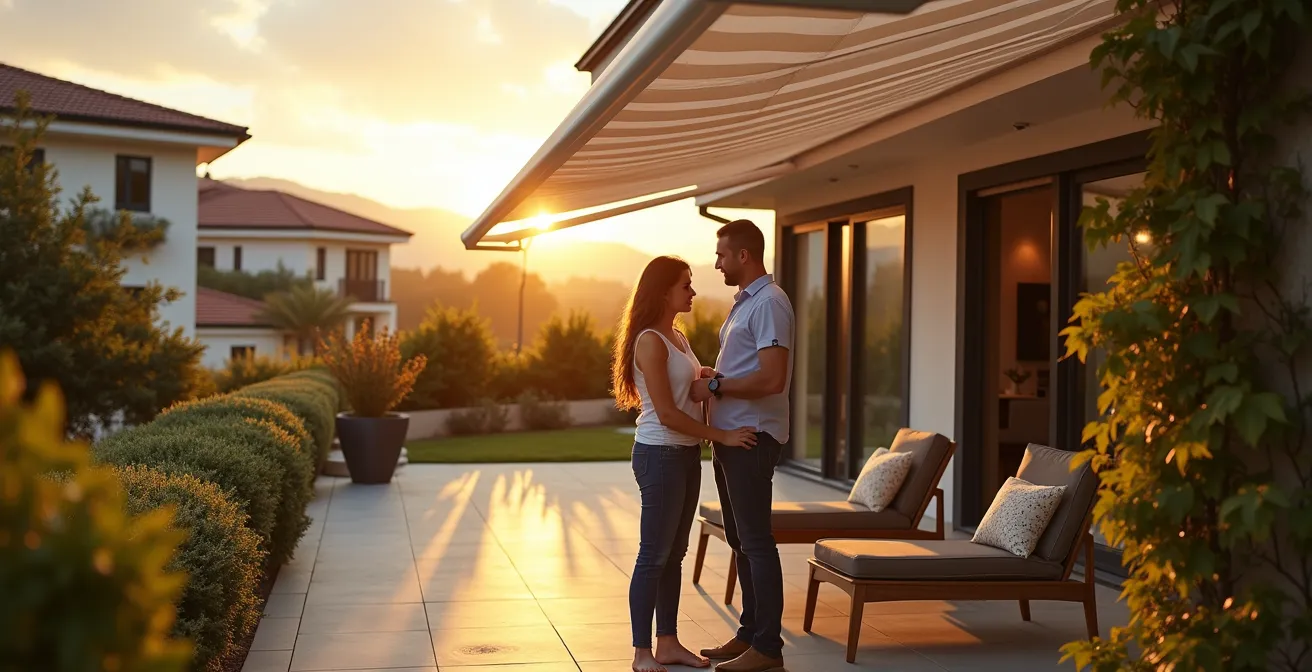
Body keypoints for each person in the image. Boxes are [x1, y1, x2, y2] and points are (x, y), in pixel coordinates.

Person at [612, 255, 759, 672]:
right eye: (685, 285)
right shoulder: (650, 341)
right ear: (663, 292)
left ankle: (668, 643)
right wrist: (722, 436)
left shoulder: (676, 336)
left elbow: (688, 392)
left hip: (684, 454)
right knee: (653, 555)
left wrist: (707, 377)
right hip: (660, 454)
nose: (693, 291)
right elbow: (667, 413)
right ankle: (642, 652)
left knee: (674, 553)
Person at [690, 220, 795, 672]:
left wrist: (716, 387)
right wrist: (718, 377)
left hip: (751, 439)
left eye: (721, 255)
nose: (717, 263)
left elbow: (772, 378)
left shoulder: (769, 303)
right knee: (740, 539)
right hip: (731, 438)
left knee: (755, 541)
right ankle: (750, 634)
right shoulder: (746, 304)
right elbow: (746, 369)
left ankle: (768, 648)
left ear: (744, 255)